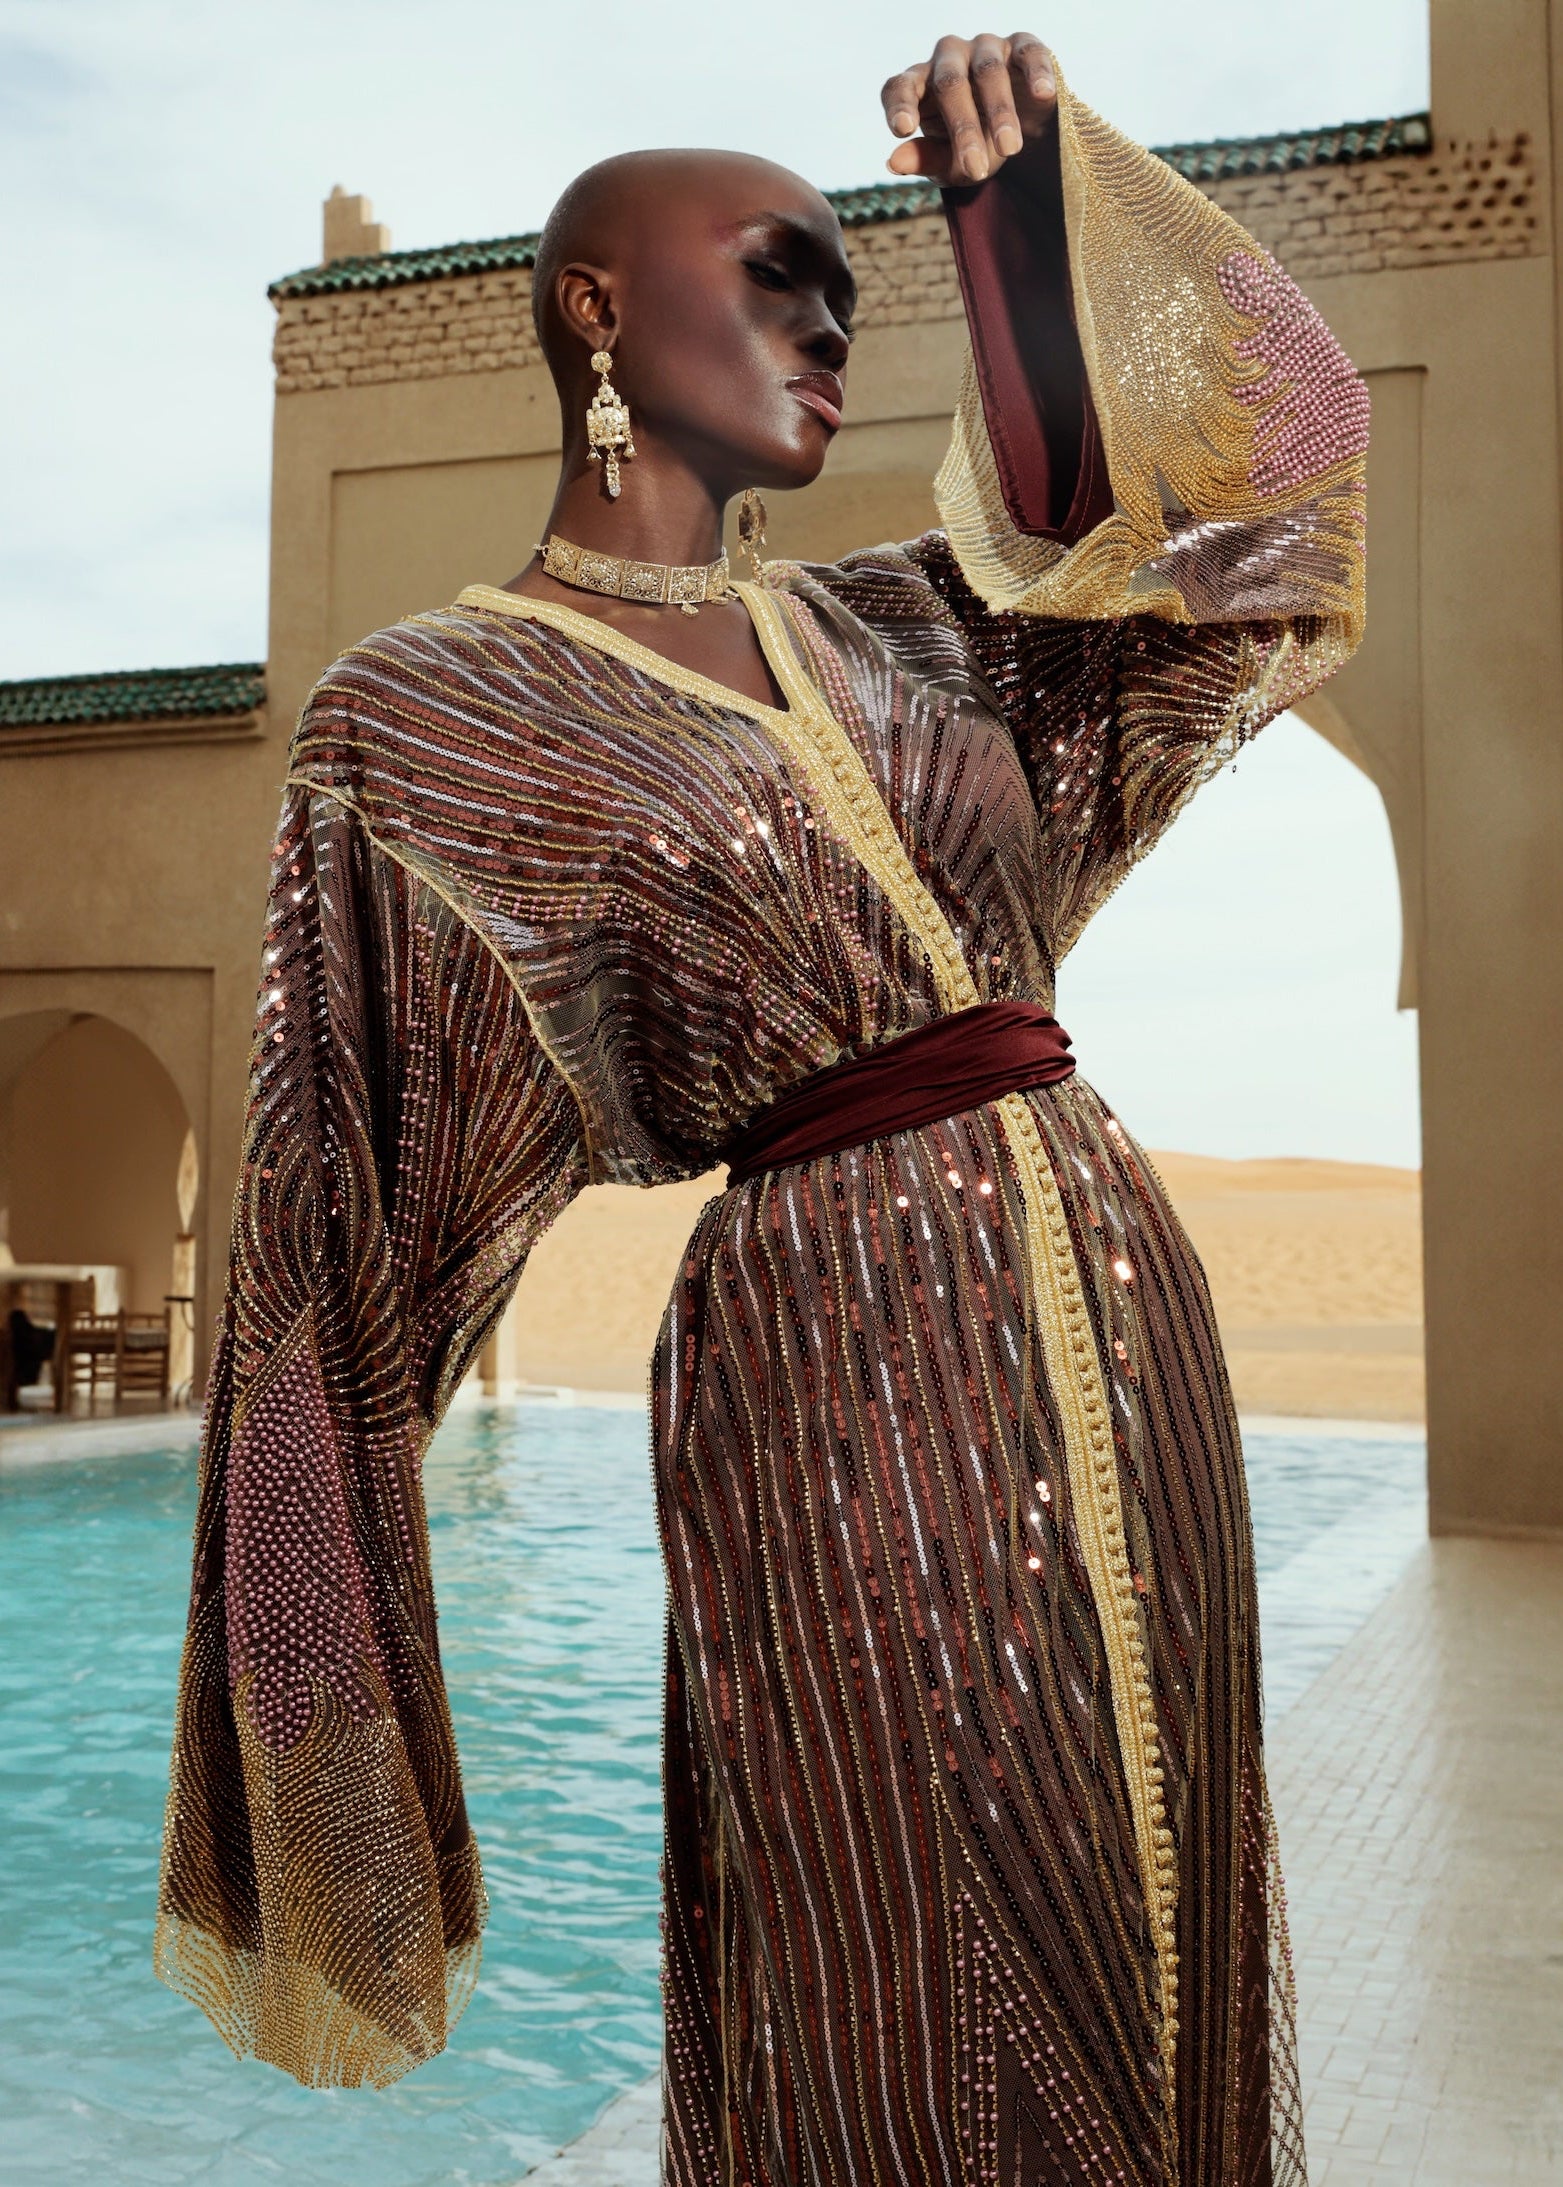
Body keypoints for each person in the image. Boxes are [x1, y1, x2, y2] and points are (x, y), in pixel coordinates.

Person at [156, 31, 1365, 2185]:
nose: (831, 321)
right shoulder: (422, 706)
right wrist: (317, 1716)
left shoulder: (901, 630)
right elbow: (338, 1211)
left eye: (850, 286)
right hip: (828, 1365)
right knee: (899, 1943)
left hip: (1118, 1298)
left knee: (1145, 1908)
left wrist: (1011, 234)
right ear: (595, 307)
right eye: (778, 272)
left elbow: (1225, 549)